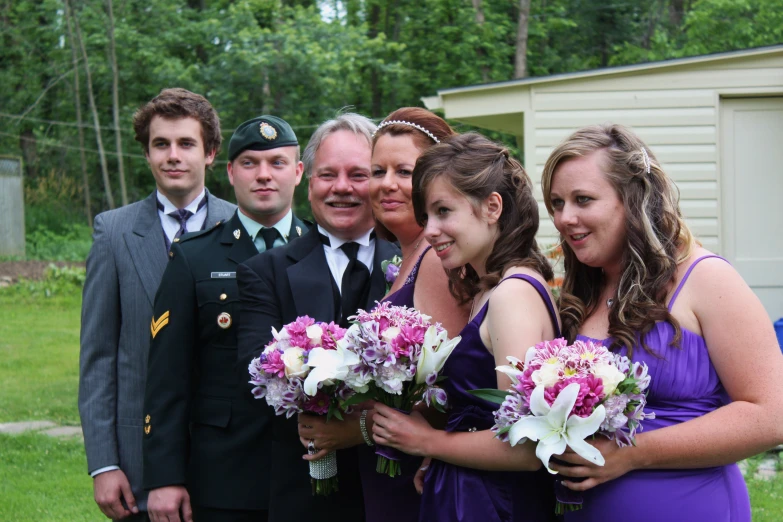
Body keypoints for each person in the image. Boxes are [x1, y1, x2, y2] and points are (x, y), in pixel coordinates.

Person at [538, 123, 783, 521]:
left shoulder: (706, 279)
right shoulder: (580, 293)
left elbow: (771, 416)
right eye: (557, 203)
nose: (566, 218)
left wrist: (632, 456)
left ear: (633, 200)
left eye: (583, 199)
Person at [371, 132, 559, 522]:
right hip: (467, 490)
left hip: (493, 503)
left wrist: (430, 442)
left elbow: (524, 446)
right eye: (427, 216)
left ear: (492, 207)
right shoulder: (487, 290)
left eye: (443, 211)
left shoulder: (513, 295)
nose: (430, 230)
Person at [296, 107, 470, 522]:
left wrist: (353, 429)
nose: (386, 185)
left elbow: (447, 390)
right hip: (389, 465)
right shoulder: (403, 260)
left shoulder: (434, 261)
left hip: (415, 472)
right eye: (377, 171)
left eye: (404, 171)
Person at [142, 115, 310, 522]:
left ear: (299, 172)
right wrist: (163, 477)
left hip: (310, 473)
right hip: (224, 475)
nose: (264, 175)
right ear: (231, 172)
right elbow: (167, 379)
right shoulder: (192, 257)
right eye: (250, 163)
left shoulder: (322, 251)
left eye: (278, 163)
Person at [78, 88, 236, 521]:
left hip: (225, 455)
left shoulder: (240, 226)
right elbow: (98, 357)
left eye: (186, 144)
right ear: (147, 155)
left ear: (210, 153)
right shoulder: (113, 232)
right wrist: (104, 463)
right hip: (136, 460)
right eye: (160, 144)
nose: (173, 155)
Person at [236, 113, 400, 522]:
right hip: (305, 492)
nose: (341, 187)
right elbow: (254, 370)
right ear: (309, 183)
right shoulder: (265, 271)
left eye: (359, 174)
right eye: (328, 174)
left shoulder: (411, 262)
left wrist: (359, 428)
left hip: (397, 484)